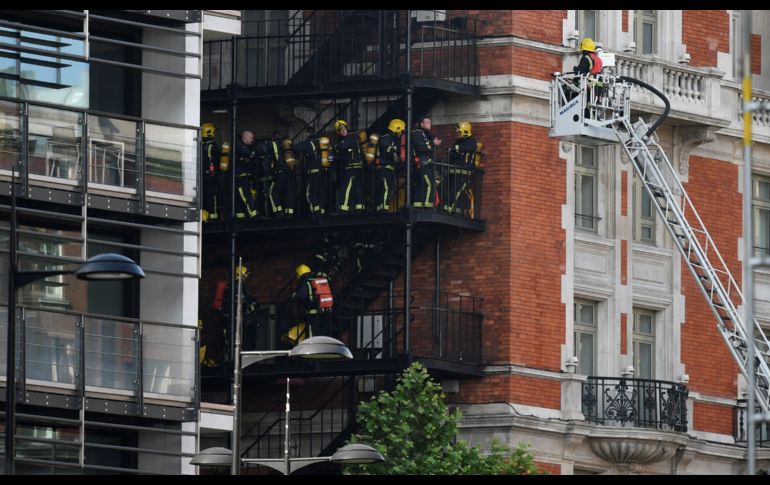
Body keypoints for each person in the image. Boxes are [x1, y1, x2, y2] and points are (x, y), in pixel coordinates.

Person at [288, 264, 333, 344]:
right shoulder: (316, 279)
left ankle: (313, 349)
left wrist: (294, 295)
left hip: (313, 313)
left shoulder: (305, 281)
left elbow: (302, 295)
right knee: (321, 334)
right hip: (324, 311)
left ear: (299, 274)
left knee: (312, 335)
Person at [445, 121, 477, 215]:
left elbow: (467, 148)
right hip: (454, 170)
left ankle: (448, 209)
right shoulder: (458, 141)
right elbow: (452, 154)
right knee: (451, 189)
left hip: (464, 171)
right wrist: (451, 151)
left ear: (465, 131)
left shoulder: (471, 141)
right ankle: (455, 210)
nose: (457, 134)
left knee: (456, 190)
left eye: (459, 132)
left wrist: (455, 149)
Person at [333, 119, 365, 213]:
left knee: (346, 187)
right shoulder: (347, 139)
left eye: (344, 128)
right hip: (356, 166)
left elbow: (342, 146)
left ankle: (344, 208)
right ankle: (359, 208)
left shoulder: (350, 137)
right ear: (338, 132)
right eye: (340, 130)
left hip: (352, 167)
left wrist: (335, 147)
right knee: (356, 188)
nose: (343, 130)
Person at [375, 119, 405, 212]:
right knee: (387, 189)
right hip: (385, 168)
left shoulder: (394, 139)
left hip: (389, 169)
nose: (401, 133)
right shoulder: (386, 137)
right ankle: (383, 209)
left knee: (388, 189)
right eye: (401, 131)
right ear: (397, 128)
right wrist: (393, 151)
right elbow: (385, 146)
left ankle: (382, 208)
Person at [411, 117, 441, 208]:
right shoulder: (418, 133)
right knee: (430, 183)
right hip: (421, 164)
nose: (429, 124)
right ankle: (427, 207)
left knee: (422, 185)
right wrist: (432, 143)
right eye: (427, 122)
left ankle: (419, 205)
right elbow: (420, 148)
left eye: (430, 122)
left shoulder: (424, 134)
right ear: (421, 124)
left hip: (424, 164)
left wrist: (433, 141)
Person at [234, 130, 259, 219]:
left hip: (244, 177)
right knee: (246, 196)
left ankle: (241, 216)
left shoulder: (245, 147)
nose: (252, 139)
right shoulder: (239, 145)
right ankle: (254, 215)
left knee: (240, 198)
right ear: (245, 137)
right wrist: (253, 153)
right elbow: (247, 153)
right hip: (239, 178)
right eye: (251, 137)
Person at [200, 122, 222, 222]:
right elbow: (218, 161)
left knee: (203, 195)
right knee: (211, 195)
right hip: (211, 176)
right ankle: (212, 216)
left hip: (201, 176)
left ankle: (205, 215)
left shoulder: (199, 145)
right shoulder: (214, 146)